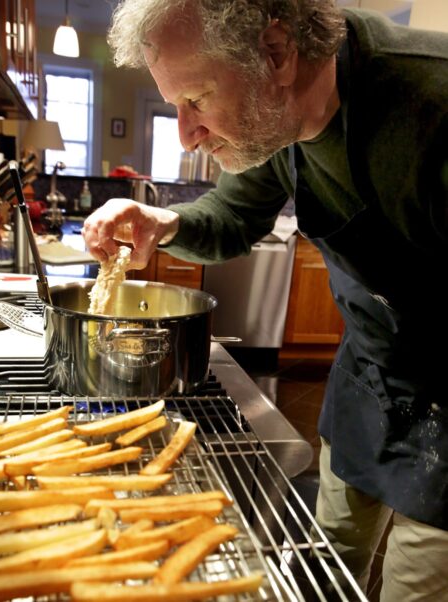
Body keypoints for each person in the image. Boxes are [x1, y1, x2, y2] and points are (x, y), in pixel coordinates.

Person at [82, 1, 448, 599]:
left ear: (276, 53)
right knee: (322, 561)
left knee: (413, 582)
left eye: (196, 99)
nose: (186, 133)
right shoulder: (276, 117)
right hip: (369, 377)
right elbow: (230, 217)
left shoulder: (430, 106)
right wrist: (163, 222)